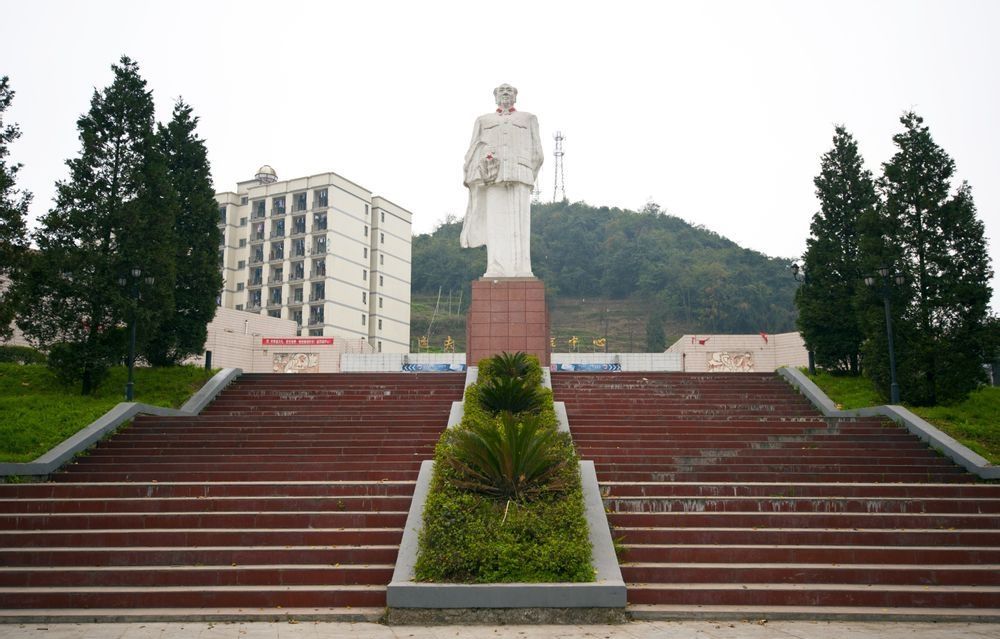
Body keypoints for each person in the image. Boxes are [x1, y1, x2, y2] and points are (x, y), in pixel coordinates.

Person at [460, 84, 543, 278]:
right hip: (493, 177)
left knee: (520, 227)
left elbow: (538, 153)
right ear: (495, 96)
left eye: (509, 90)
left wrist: (528, 174)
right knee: (495, 225)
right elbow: (473, 151)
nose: (505, 93)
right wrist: (481, 170)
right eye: (501, 90)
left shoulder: (528, 118)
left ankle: (523, 269)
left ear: (515, 95)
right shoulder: (483, 121)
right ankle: (495, 267)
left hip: (520, 175)